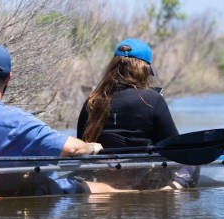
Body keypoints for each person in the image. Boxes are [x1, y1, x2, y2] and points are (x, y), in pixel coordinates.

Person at [0, 43, 102, 194]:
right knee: (102, 190)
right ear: (8, 77)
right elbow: (73, 149)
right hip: (16, 203)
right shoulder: (19, 122)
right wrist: (92, 147)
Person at [77, 38, 197, 191]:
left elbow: (81, 146)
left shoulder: (92, 101)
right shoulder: (153, 100)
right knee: (192, 160)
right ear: (144, 69)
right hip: (141, 174)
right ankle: (170, 190)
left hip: (102, 173)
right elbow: (174, 146)